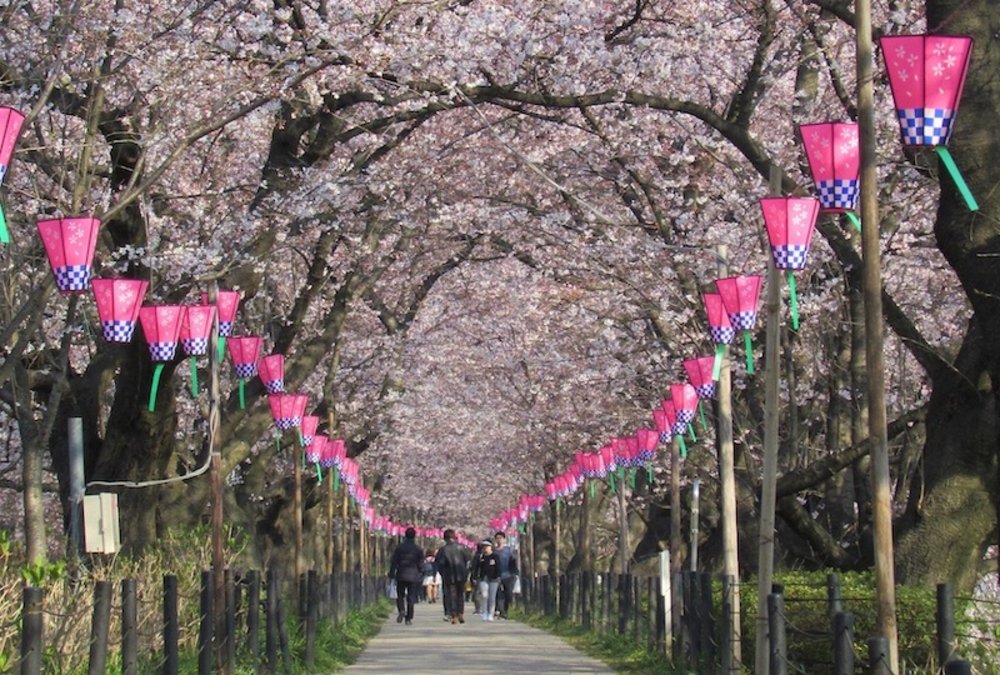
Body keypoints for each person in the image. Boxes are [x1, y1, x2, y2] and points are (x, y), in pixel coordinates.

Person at [388, 527, 423, 625]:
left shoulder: (399, 548)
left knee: (400, 595)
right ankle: (409, 618)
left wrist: (391, 573)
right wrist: (421, 574)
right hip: (413, 575)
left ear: (405, 535)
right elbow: (421, 564)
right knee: (411, 597)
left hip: (401, 574)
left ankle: (401, 610)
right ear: (414, 536)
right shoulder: (418, 549)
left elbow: (394, 561)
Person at [435, 529, 470, 624]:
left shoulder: (443, 550)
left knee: (451, 595)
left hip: (449, 575)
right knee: (460, 595)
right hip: (461, 574)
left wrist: (442, 573)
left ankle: (453, 615)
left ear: (445, 538)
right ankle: (460, 613)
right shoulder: (462, 548)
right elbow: (467, 560)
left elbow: (439, 564)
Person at [473, 539, 501, 621]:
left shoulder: (495, 556)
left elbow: (499, 567)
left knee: (492, 597)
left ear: (491, 547)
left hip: (494, 579)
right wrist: (474, 577)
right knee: (484, 595)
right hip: (483, 578)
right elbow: (476, 568)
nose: (485, 548)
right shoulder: (481, 557)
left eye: (487, 547)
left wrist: (499, 577)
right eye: (484, 547)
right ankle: (484, 612)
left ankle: (490, 614)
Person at [493, 531, 518, 619]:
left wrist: (515, 572)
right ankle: (501, 611)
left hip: (509, 575)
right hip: (497, 576)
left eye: (501, 538)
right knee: (498, 594)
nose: (499, 540)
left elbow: (514, 561)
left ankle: (506, 610)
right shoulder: (494, 551)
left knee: (508, 594)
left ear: (504, 539)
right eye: (497, 538)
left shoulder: (509, 550)